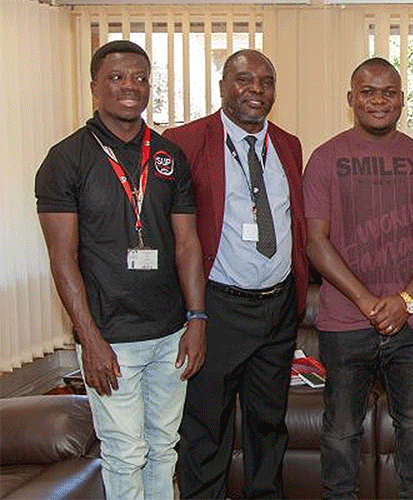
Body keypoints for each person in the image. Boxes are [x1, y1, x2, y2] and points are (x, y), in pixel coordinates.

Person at [35, 40, 206, 500]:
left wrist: (197, 320)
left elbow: (188, 244)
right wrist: (89, 339)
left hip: (171, 333)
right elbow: (61, 258)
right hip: (110, 339)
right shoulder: (66, 158)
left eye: (140, 77)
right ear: (95, 87)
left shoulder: (170, 156)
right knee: (125, 452)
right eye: (117, 77)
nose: (130, 86)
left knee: (164, 449)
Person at [163, 49, 309, 499]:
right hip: (218, 307)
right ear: (223, 85)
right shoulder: (185, 141)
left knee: (269, 427)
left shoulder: (287, 143)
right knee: (207, 428)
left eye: (266, 82)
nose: (256, 90)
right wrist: (192, 314)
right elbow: (174, 229)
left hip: (277, 309)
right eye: (245, 80)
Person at [303, 57, 413, 499]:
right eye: (368, 91)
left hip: (412, 320)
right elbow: (315, 242)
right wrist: (368, 301)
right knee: (342, 429)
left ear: (402, 100)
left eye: (388, 92)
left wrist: (404, 300)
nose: (378, 100)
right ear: (351, 99)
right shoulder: (326, 159)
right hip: (345, 322)